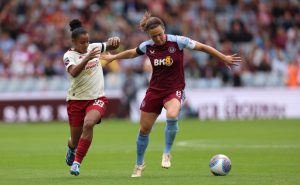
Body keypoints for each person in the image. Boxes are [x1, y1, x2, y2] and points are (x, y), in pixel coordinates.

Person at [100, 11, 241, 178]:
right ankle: (139, 164)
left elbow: (202, 47)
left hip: (174, 89)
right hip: (154, 91)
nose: (158, 39)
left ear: (164, 29)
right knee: (144, 129)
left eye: (160, 35)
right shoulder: (148, 46)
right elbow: (132, 53)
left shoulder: (178, 41)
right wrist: (113, 57)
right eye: (154, 37)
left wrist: (222, 57)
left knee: (172, 114)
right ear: (149, 36)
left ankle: (166, 153)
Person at [63, 19, 120, 176]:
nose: (86, 45)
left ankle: (77, 163)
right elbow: (73, 72)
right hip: (76, 101)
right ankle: (71, 149)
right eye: (82, 43)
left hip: (97, 98)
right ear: (74, 42)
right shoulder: (69, 55)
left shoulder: (94, 47)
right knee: (74, 140)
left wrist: (115, 41)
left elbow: (112, 46)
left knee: (89, 124)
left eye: (87, 42)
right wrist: (87, 58)